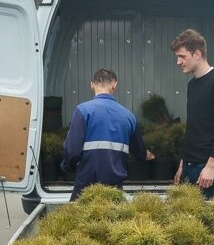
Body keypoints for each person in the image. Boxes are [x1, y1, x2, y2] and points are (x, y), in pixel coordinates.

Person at [61, 68, 150, 200]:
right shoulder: (128, 116)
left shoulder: (82, 111)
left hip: (86, 183)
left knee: (79, 219)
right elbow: (139, 153)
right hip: (114, 186)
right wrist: (147, 155)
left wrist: (67, 167)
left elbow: (72, 149)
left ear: (92, 84)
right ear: (115, 85)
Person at [170, 28, 214, 199]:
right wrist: (183, 164)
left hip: (209, 168)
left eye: (182, 57)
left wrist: (211, 166)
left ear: (197, 54)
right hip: (190, 167)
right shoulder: (192, 85)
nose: (178, 62)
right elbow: (193, 127)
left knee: (213, 223)